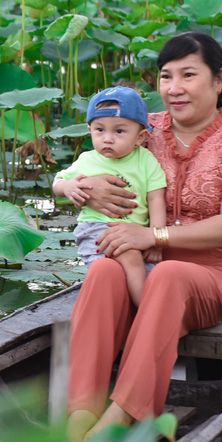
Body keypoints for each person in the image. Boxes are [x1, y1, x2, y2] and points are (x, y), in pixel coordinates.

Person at [64, 32, 222, 442]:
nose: (173, 89)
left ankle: (124, 414)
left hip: (206, 274)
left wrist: (152, 235)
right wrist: (88, 188)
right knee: (103, 272)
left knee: (169, 275)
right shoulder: (140, 129)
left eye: (188, 75)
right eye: (165, 76)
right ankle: (80, 412)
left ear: (219, 80)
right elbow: (86, 168)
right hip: (136, 263)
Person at [52, 86, 167, 306]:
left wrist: (156, 240)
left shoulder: (146, 161)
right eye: (99, 130)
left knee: (152, 271)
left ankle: (132, 308)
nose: (107, 139)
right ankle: (146, 311)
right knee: (131, 258)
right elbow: (57, 182)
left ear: (140, 137)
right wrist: (67, 187)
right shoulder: (87, 160)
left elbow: (156, 200)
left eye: (119, 132)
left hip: (137, 233)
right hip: (97, 228)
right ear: (90, 130)